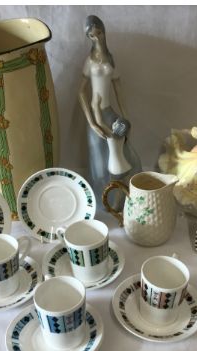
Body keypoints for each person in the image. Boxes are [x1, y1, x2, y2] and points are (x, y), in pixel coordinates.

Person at [78, 15, 141, 210]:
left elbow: (118, 88)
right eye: (92, 36)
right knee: (99, 161)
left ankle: (122, 197)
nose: (96, 38)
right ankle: (102, 202)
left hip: (110, 112)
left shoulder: (111, 60)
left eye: (99, 34)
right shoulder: (89, 61)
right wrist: (91, 122)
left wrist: (127, 117)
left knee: (126, 156)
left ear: (104, 33)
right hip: (96, 115)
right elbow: (81, 92)